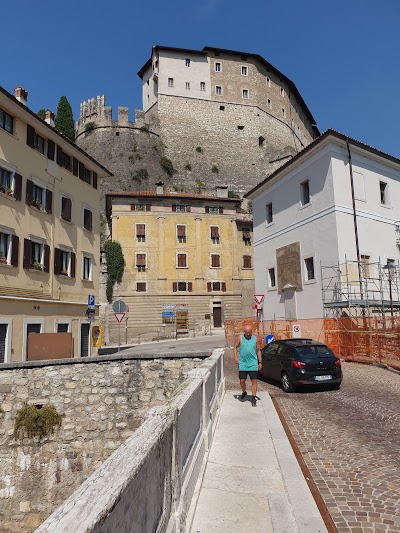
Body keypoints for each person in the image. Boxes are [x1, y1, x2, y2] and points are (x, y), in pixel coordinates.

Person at [234, 324, 262, 407]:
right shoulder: (240, 338)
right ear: (244, 332)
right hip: (243, 363)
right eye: (247, 333)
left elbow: (258, 350)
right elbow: (235, 347)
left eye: (250, 332)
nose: (248, 334)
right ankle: (244, 392)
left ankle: (253, 398)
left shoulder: (255, 339)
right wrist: (236, 357)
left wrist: (260, 362)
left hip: (253, 363)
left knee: (254, 381)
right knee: (242, 380)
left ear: (251, 331)